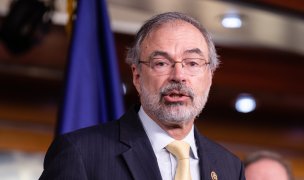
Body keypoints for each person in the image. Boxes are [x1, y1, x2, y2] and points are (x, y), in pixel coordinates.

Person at [39, 12, 245, 180]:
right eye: (161, 63)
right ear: (137, 76)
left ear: (209, 76)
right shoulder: (80, 153)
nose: (179, 76)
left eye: (192, 63)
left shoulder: (230, 168)